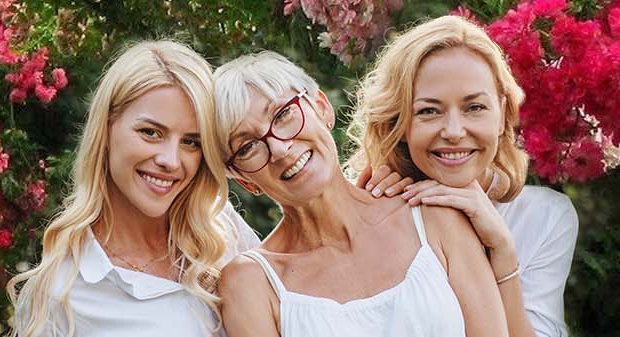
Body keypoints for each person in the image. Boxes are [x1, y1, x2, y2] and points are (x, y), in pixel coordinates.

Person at [206, 51, 531, 337]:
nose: (279, 148)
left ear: (322, 108)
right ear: (244, 180)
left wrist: (503, 250)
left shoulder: (434, 217)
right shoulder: (250, 285)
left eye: (283, 114)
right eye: (248, 147)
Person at [8, 40, 260, 337]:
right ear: (108, 128)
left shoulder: (221, 229)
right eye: (150, 133)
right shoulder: (60, 294)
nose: (170, 160)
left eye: (191, 142)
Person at [347, 16, 580, 337]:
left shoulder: (545, 216)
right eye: (429, 111)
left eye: (474, 107)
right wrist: (363, 230)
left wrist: (503, 252)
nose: (454, 132)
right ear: (399, 124)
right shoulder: (381, 206)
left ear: (502, 114)